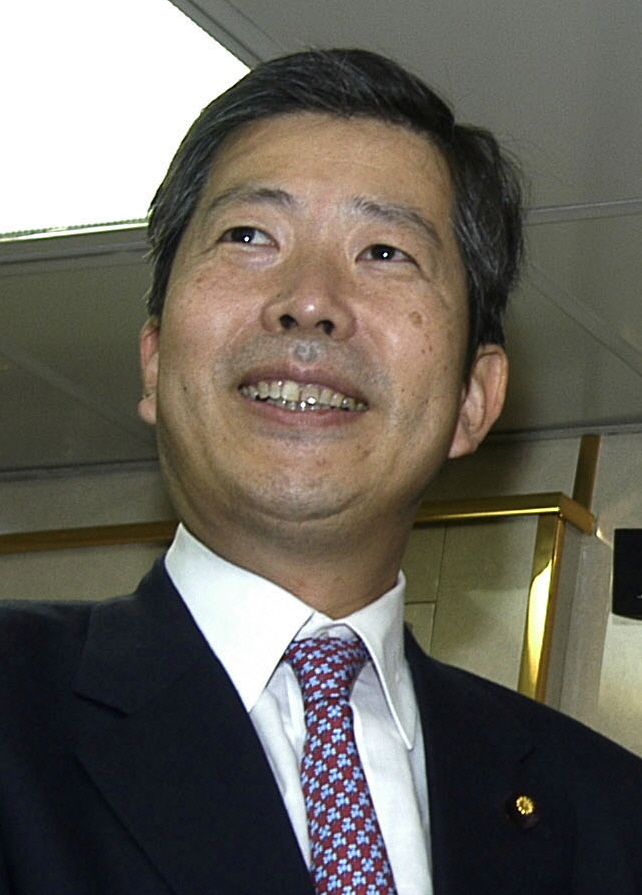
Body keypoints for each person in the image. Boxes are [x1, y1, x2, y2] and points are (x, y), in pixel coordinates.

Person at [1, 48, 641, 895]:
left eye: (385, 252)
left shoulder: (611, 819)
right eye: (249, 236)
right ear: (154, 360)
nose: (309, 300)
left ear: (473, 399)